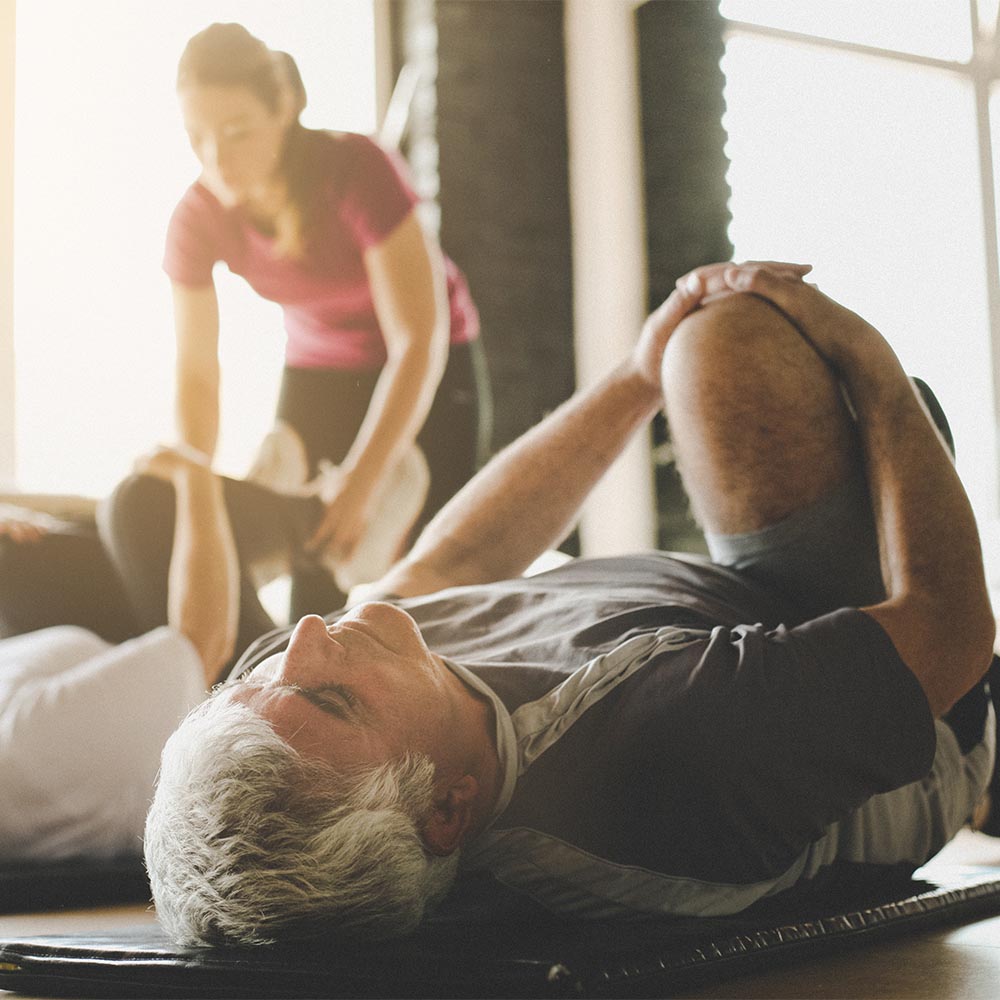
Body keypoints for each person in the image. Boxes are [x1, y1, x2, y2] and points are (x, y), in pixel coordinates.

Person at [143, 260, 996, 947]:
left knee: (681, 355)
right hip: (933, 713)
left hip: (720, 623)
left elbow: (458, 558)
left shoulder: (389, 707)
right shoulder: (668, 748)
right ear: (450, 809)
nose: (304, 639)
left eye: (251, 679)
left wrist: (637, 371)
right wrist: (876, 370)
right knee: (727, 346)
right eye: (326, 694)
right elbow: (953, 636)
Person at [166, 22, 490, 616]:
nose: (217, 158)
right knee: (313, 568)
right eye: (197, 137)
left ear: (284, 106)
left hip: (430, 361)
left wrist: (362, 484)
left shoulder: (357, 169)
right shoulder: (196, 218)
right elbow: (196, 375)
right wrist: (196, 492)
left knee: (432, 571)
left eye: (236, 132)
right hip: (317, 365)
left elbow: (418, 340)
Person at [0, 448, 241, 861]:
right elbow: (205, 641)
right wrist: (196, 477)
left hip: (102, 647)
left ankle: (305, 516)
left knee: (16, 555)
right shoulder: (28, 747)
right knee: (143, 503)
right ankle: (316, 521)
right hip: (224, 683)